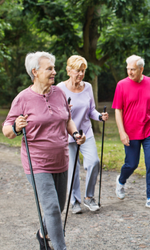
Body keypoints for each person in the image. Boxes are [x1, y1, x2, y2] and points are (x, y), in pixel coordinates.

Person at [2, 51, 86, 250]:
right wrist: (16, 127)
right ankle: (60, 247)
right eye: (49, 69)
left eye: (54, 68)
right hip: (37, 162)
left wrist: (75, 135)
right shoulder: (23, 98)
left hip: (61, 159)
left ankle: (42, 233)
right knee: (52, 207)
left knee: (59, 206)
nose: (54, 72)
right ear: (35, 72)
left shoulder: (59, 93)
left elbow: (67, 119)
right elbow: (7, 129)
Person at [57, 55, 109, 214]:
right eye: (78, 71)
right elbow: (55, 112)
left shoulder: (87, 87)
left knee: (94, 162)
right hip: (68, 135)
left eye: (83, 71)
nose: (81, 74)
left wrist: (100, 116)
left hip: (85, 132)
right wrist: (64, 109)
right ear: (69, 70)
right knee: (72, 170)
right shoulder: (60, 88)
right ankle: (75, 201)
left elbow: (91, 109)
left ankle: (89, 197)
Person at [112, 55, 150, 210]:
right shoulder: (121, 85)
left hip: (149, 129)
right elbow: (118, 110)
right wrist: (122, 132)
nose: (129, 72)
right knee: (132, 164)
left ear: (141, 69)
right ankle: (121, 181)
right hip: (131, 131)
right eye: (127, 69)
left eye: (133, 69)